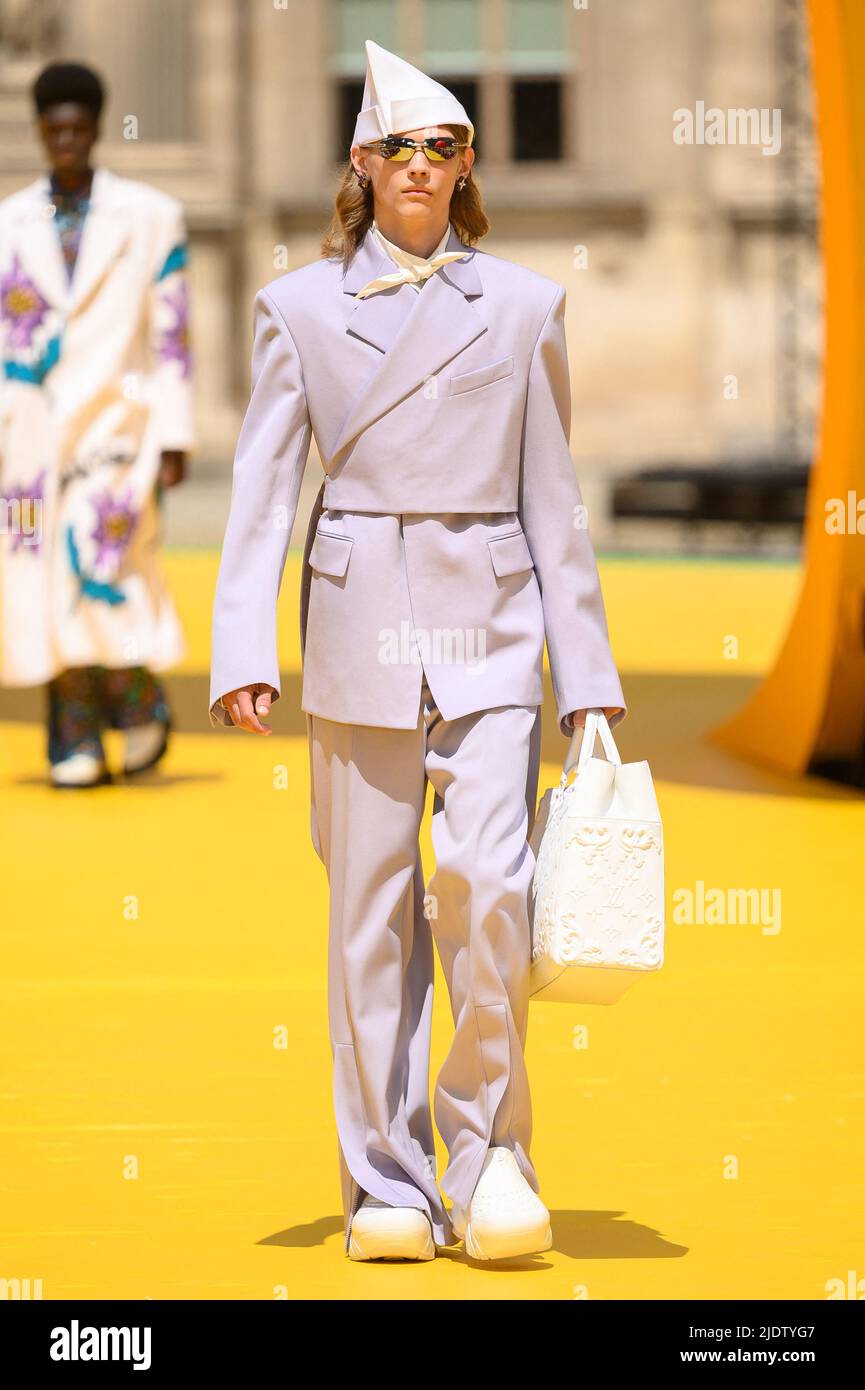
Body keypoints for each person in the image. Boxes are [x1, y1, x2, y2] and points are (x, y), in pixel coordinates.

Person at [209, 39, 626, 1262]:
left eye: (443, 147)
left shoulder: (525, 305)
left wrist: (587, 681)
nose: (420, 165)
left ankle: (491, 1149)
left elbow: (556, 500)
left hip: (492, 619)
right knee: (371, 913)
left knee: (488, 884)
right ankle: (384, 1176)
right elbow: (262, 490)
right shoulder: (293, 309)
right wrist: (243, 646)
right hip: (355, 617)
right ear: (361, 161)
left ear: (466, 166)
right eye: (399, 145)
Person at [0, 61, 195, 787]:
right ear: (40, 133)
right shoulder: (8, 223)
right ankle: (73, 731)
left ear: (98, 129)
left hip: (120, 427)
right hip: (24, 439)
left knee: (108, 564)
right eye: (55, 131)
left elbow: (172, 333)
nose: (68, 142)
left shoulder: (149, 217)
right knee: (35, 573)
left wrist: (173, 434)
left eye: (79, 129)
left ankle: (136, 704)